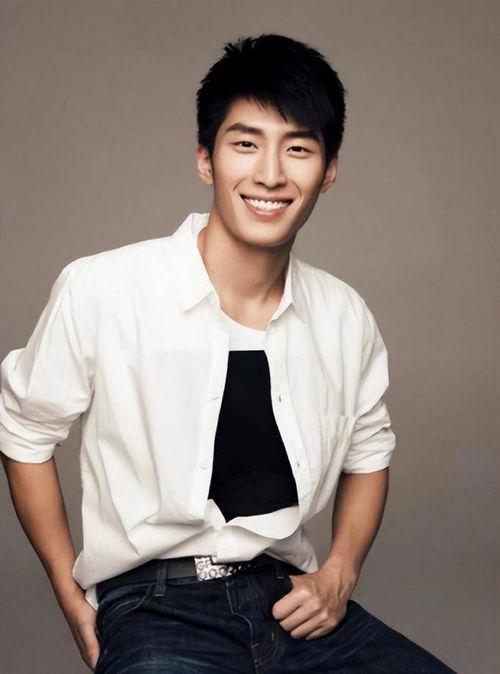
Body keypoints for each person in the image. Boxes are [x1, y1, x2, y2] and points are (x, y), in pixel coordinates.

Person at [0, 33, 456, 673]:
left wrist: (340, 571)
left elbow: (369, 452)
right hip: (154, 606)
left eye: (298, 148)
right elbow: (24, 431)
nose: (270, 174)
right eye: (245, 144)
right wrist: (67, 590)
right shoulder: (104, 288)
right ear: (206, 161)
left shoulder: (343, 315)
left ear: (328, 172)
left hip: (288, 600)